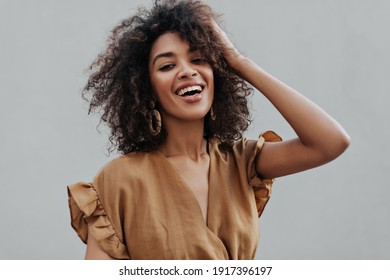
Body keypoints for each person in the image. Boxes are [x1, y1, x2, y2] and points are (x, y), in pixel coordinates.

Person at [67, 0, 350, 260]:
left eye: (199, 59)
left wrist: (240, 62)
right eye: (167, 65)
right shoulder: (119, 180)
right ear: (145, 88)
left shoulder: (241, 162)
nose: (187, 71)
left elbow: (330, 142)